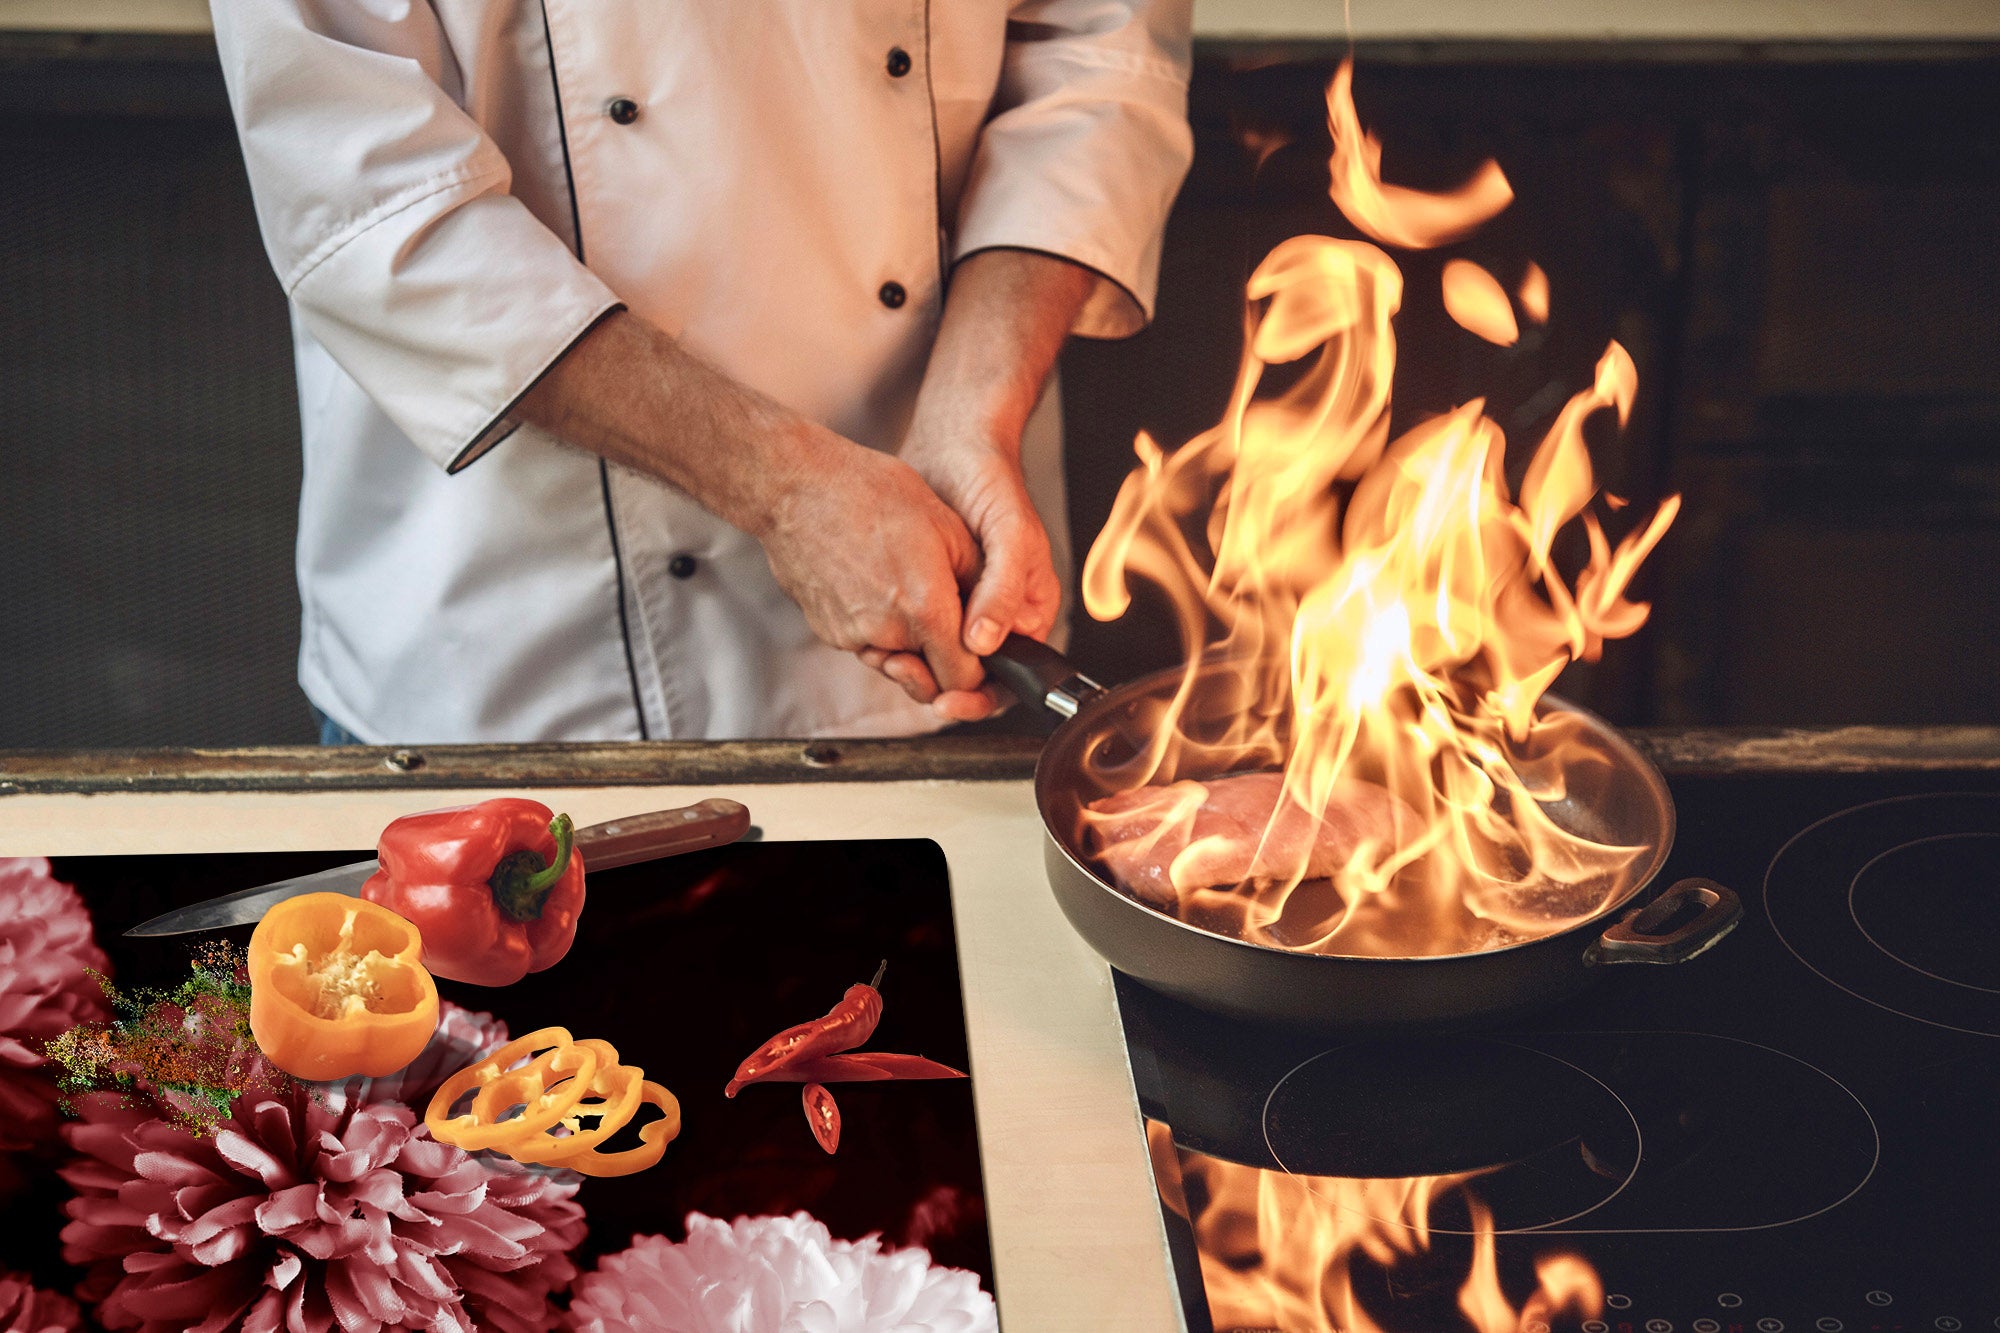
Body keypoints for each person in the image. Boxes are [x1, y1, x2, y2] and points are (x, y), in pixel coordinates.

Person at [209, 0, 1193, 742]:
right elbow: (371, 196)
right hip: (522, 645)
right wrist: (784, 489)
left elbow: (1097, 61)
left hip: (949, 578)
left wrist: (972, 418)